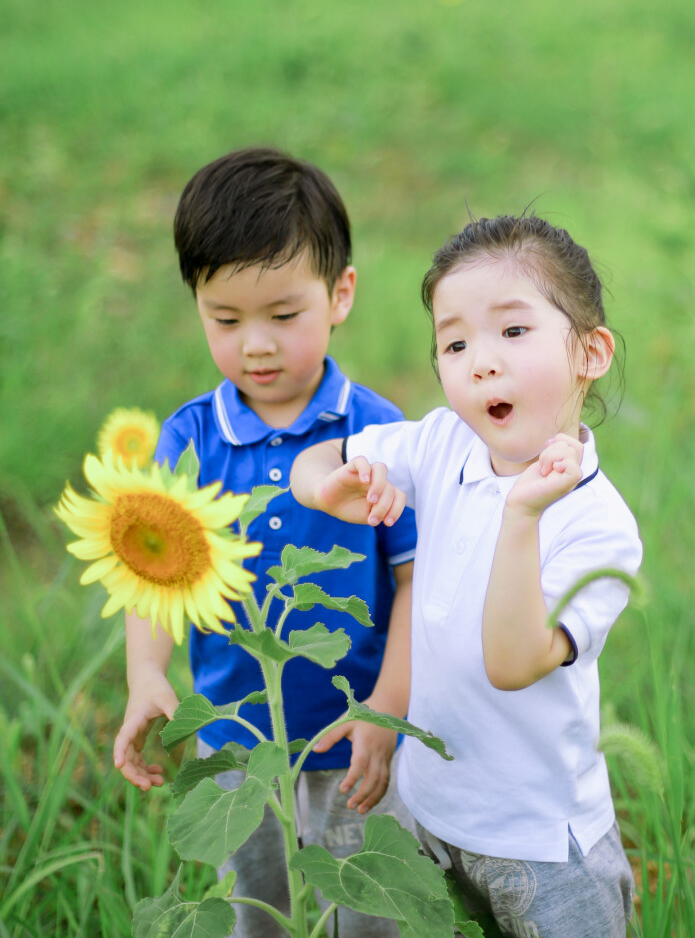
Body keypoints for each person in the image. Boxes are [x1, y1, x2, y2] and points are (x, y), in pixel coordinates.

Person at [290, 213, 643, 938]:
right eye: (455, 342)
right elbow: (318, 459)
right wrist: (328, 486)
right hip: (432, 816)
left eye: (513, 331)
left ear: (591, 352)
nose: (480, 360)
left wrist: (521, 516)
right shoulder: (444, 442)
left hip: (545, 850)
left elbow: (513, 663)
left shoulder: (596, 527)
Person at [112, 147, 418, 938]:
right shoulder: (188, 442)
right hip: (236, 747)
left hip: (353, 738)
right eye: (226, 319)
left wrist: (388, 707)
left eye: (284, 316)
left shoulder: (379, 432)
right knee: (254, 914)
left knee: (369, 910)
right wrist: (147, 671)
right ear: (197, 306)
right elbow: (153, 579)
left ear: (340, 294)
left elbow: (417, 578)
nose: (257, 344)